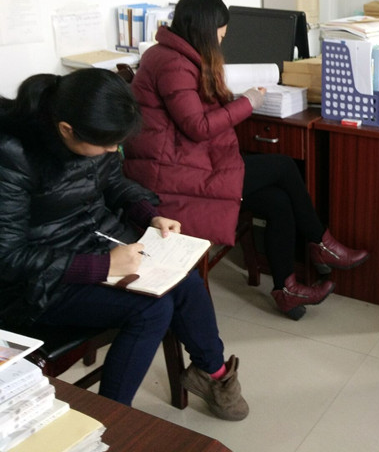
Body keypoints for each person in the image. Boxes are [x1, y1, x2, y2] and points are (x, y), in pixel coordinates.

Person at [0, 69, 248, 419]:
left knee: (186, 280)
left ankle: (212, 374)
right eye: (105, 145)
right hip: (38, 285)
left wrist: (150, 216)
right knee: (151, 310)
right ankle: (114, 421)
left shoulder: (90, 129)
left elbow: (114, 184)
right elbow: (9, 257)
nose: (111, 150)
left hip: (97, 244)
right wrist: (102, 266)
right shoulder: (13, 155)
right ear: (66, 130)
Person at [123, 0, 368, 321]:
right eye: (220, 35)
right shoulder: (172, 64)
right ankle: (320, 242)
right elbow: (198, 126)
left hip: (183, 164)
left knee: (279, 201)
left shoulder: (173, 55)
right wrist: (247, 103)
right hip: (170, 179)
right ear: (205, 30)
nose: (221, 42)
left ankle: (287, 289)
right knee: (283, 167)